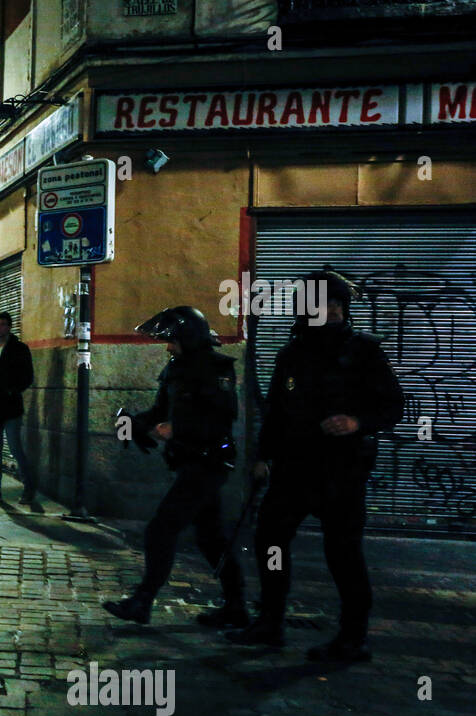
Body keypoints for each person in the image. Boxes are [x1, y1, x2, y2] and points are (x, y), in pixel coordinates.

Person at [229, 268, 404, 662]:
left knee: (343, 553)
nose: (302, 310)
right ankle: (270, 622)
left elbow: (392, 404)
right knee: (270, 540)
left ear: (336, 307)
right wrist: (263, 457)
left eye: (312, 302)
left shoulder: (362, 351)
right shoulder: (292, 353)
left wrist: (357, 422)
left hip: (341, 473)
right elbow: (275, 412)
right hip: (293, 469)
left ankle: (353, 638)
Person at [102, 306, 247, 627]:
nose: (168, 347)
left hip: (208, 463)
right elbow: (159, 411)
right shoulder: (175, 369)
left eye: (173, 341)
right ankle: (236, 605)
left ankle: (142, 602)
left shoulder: (217, 369)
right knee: (211, 538)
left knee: (160, 530)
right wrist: (131, 422)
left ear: (189, 338)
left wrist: (178, 429)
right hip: (187, 462)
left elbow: (222, 420)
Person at [0, 311, 39, 508]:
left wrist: (13, 391)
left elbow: (27, 376)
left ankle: (29, 487)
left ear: (9, 327)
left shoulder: (19, 349)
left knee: (15, 448)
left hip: (11, 407)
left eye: (2, 324)